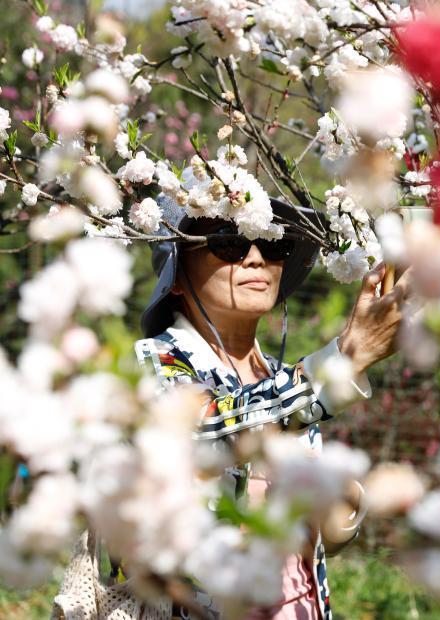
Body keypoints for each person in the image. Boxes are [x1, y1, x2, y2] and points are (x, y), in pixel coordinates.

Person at [133, 194, 408, 619]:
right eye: (229, 242)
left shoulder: (279, 376)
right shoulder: (154, 363)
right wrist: (344, 360)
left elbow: (316, 548)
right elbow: (210, 429)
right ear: (176, 275)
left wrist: (343, 501)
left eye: (273, 242)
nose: (256, 258)